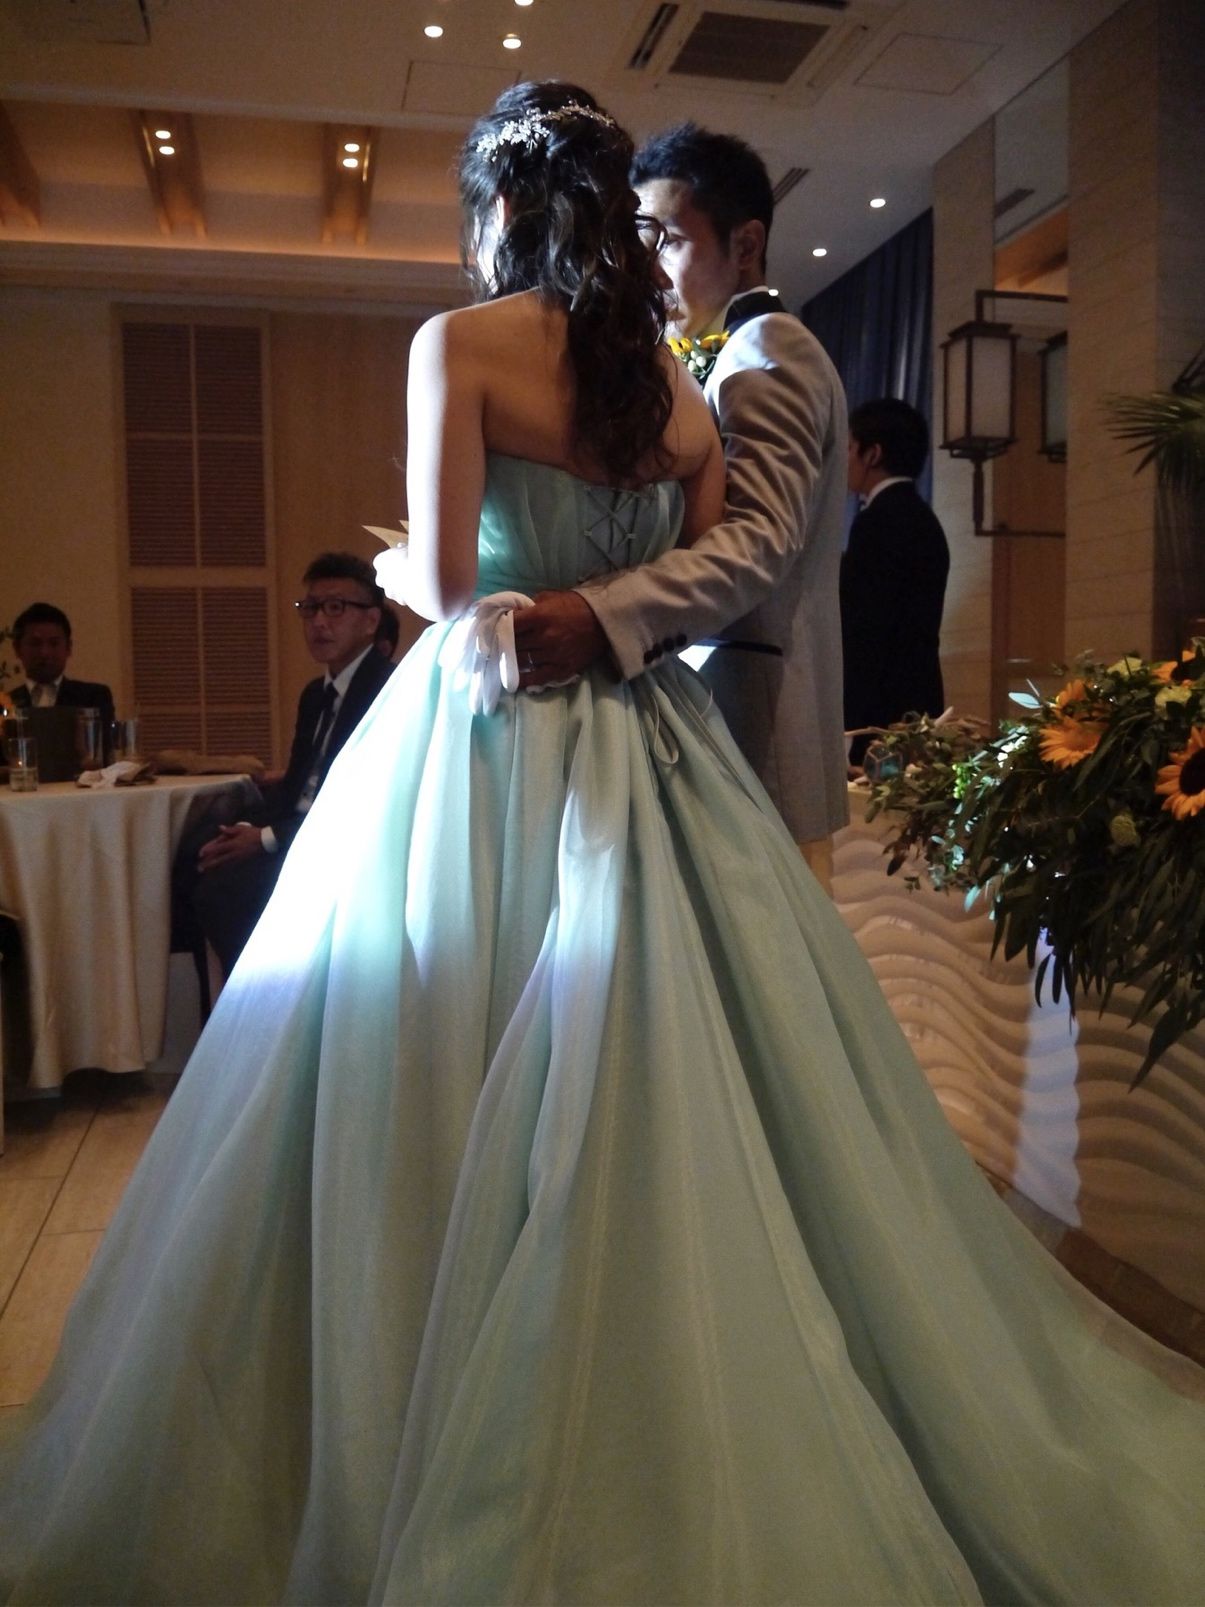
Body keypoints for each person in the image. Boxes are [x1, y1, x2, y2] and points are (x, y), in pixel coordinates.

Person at [2, 81, 1203, 1607]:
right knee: (682, 1048)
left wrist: (416, 568)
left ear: (501, 208)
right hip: (656, 748)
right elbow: (711, 561)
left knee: (419, 1035)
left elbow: (450, 590)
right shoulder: (677, 398)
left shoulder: (462, 346)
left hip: (486, 744)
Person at [512, 123, 849, 892]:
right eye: (637, 241)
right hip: (722, 724)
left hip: (756, 729)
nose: (646, 266)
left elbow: (758, 543)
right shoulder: (719, 354)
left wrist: (599, 613)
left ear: (746, 243)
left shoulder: (768, 349)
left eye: (665, 238)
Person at [188, 552, 394, 976]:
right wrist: (248, 828)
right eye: (310, 607)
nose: (319, 622)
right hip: (298, 826)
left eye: (335, 607)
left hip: (345, 842)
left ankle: (260, 999)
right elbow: (299, 785)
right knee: (195, 849)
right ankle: (216, 999)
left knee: (225, 891)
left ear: (371, 621)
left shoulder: (387, 689)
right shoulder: (315, 694)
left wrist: (267, 838)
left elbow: (365, 803)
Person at [841, 398, 950, 763]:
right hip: (920, 694)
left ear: (872, 454)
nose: (844, 459)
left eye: (850, 447)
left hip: (883, 707)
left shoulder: (878, 522)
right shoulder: (923, 519)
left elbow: (864, 628)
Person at [9, 602, 115, 726]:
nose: (44, 652)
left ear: (68, 647)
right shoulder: (6, 703)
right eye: (35, 643)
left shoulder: (93, 697)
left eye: (54, 643)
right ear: (17, 649)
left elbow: (105, 737)